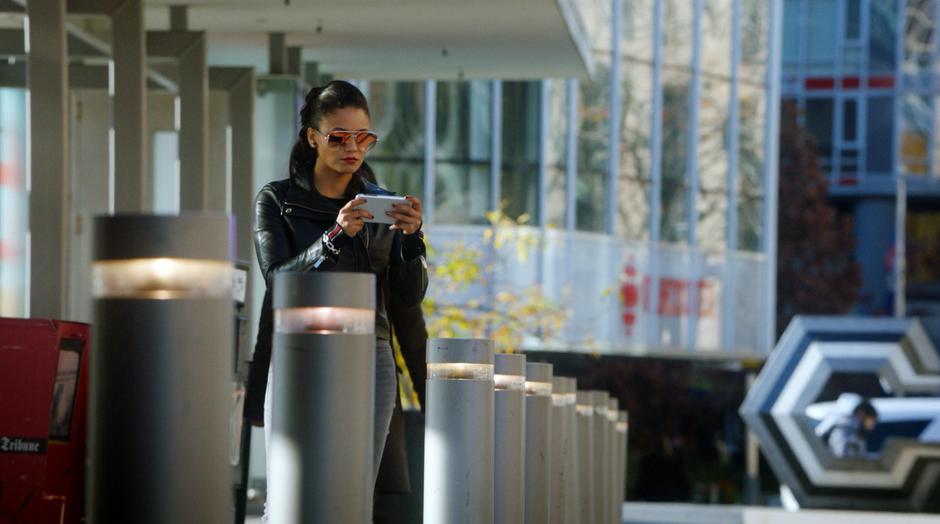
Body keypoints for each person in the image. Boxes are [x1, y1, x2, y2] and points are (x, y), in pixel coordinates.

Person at [244, 80, 428, 517]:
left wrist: (412, 239)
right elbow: (279, 280)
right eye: (339, 137)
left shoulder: (382, 206)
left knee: (353, 494)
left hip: (371, 353)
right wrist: (334, 236)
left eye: (363, 137)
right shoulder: (278, 200)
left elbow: (406, 297)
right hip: (300, 352)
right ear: (313, 137)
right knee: (291, 492)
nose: (353, 148)